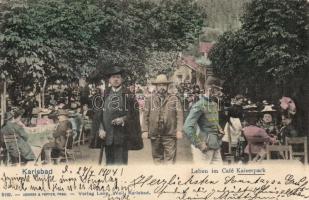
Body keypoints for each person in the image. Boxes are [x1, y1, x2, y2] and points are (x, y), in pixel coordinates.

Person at [92, 65, 143, 165]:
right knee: (109, 166)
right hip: (107, 137)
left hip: (122, 137)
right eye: (113, 77)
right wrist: (101, 128)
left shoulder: (128, 94)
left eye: (118, 77)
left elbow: (134, 114)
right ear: (109, 80)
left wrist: (123, 119)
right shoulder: (105, 94)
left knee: (120, 166)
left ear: (122, 79)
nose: (116, 79)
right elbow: (99, 114)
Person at [142, 74, 183, 164]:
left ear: (167, 86)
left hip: (169, 134)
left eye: (164, 85)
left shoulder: (174, 99)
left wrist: (179, 130)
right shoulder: (149, 99)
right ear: (156, 86)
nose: (162, 87)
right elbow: (145, 115)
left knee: (170, 161)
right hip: (155, 134)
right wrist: (145, 130)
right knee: (157, 159)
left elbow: (179, 116)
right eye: (159, 85)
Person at [183, 76, 224, 164]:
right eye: (217, 89)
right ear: (210, 89)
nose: (219, 92)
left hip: (215, 145)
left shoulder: (214, 104)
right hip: (203, 147)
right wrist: (199, 144)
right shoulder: (199, 105)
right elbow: (187, 127)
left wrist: (219, 129)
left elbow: (212, 121)